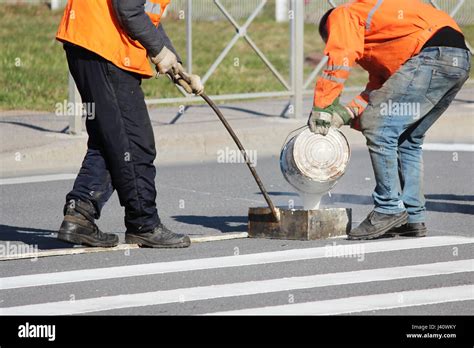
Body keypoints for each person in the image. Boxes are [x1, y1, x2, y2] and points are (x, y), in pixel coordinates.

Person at [308, 0, 471, 240]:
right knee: (408, 138)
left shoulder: (342, 15)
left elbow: (340, 55)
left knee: (379, 127)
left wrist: (322, 106)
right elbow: (381, 88)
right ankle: (413, 217)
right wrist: (346, 114)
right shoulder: (387, 36)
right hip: (457, 58)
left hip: (431, 54)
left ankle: (388, 208)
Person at [55, 0, 203, 248]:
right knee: (135, 143)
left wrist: (176, 66)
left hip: (92, 42)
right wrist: (158, 50)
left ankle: (80, 214)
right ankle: (144, 224)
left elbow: (147, 14)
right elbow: (128, 9)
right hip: (105, 48)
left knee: (111, 138)